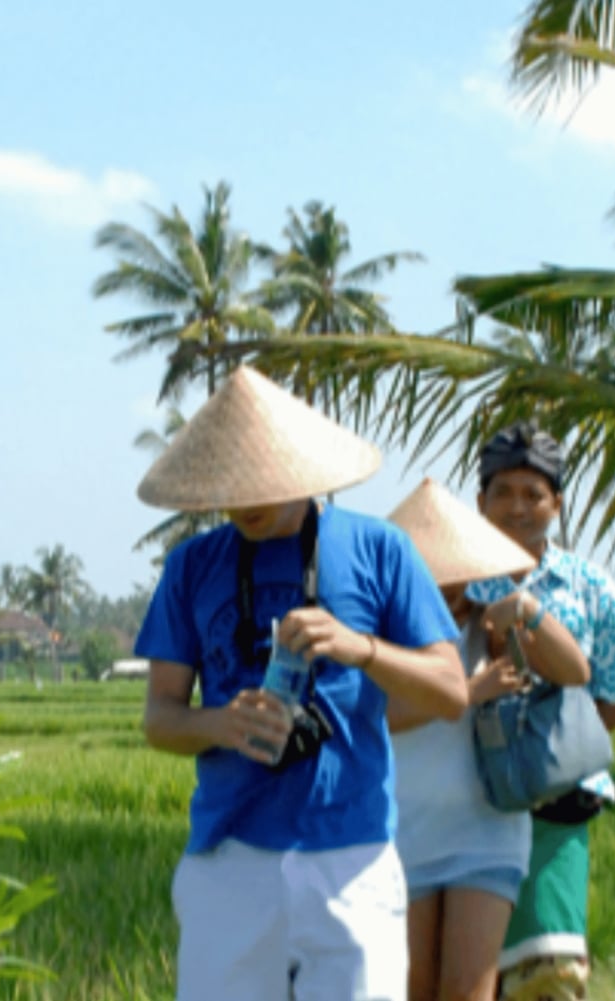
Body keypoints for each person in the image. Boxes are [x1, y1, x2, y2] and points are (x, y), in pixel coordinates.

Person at [134, 366, 468, 1001]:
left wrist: (360, 648)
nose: (244, 501)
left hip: (353, 858)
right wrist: (220, 723)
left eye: (260, 481)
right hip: (227, 858)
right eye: (229, 485)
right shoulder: (191, 567)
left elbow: (450, 689)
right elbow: (160, 719)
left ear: (300, 470)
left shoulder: (380, 549)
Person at [467, 422, 615, 1001]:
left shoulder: (589, 586)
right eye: (504, 492)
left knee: (549, 977)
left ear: (558, 504)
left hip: (558, 807)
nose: (518, 506)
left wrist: (551, 742)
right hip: (466, 804)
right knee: (466, 981)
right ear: (480, 501)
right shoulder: (453, 582)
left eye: (534, 494)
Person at [387, 478, 591, 1001]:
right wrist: (468, 691)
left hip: (486, 832)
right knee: (417, 989)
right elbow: (377, 717)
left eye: (454, 569)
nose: (446, 584)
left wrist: (528, 610)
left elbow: (575, 671)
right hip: (402, 834)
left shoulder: (492, 629)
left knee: (467, 990)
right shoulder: (385, 641)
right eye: (430, 572)